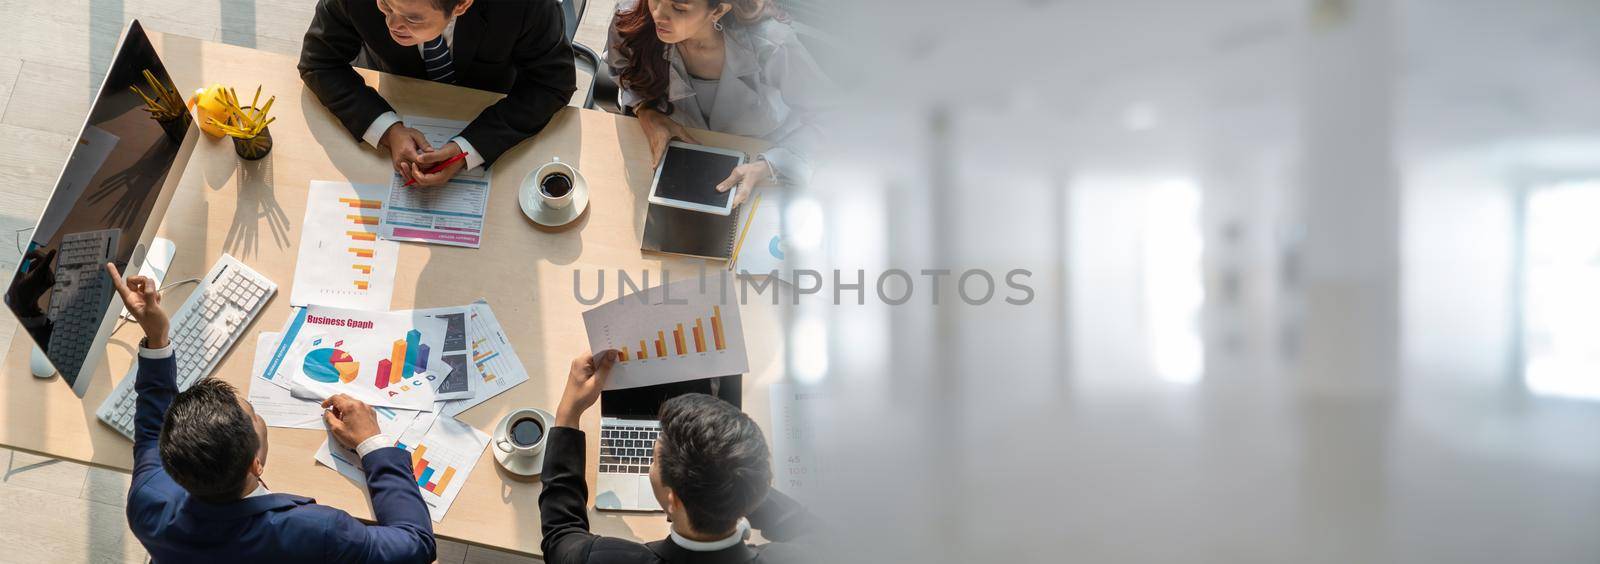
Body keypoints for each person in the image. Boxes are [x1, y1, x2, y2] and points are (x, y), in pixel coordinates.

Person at [109, 262, 437, 563]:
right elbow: (416, 545)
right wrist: (371, 443)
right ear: (256, 463)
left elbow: (151, 433)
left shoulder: (149, 502)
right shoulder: (316, 530)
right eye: (253, 415)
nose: (256, 416)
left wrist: (156, 337)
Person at [540, 351, 818, 563]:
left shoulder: (603, 558)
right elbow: (810, 528)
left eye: (655, 457)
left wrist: (568, 414)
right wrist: (731, 471)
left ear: (673, 501)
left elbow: (561, 535)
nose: (653, 451)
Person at [300, 0, 576, 187]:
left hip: (493, 101)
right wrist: (386, 130)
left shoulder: (524, 6)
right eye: (385, 5)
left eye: (412, 18)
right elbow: (319, 62)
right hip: (398, 92)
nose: (393, 24)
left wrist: (469, 148)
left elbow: (552, 83)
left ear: (462, 4)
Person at [606, 0, 834, 205]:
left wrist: (771, 165)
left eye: (679, 7)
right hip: (680, 161)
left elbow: (834, 117)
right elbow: (622, 70)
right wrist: (645, 110)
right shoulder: (631, 19)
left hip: (762, 160)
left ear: (718, 10)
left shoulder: (771, 44)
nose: (658, 14)